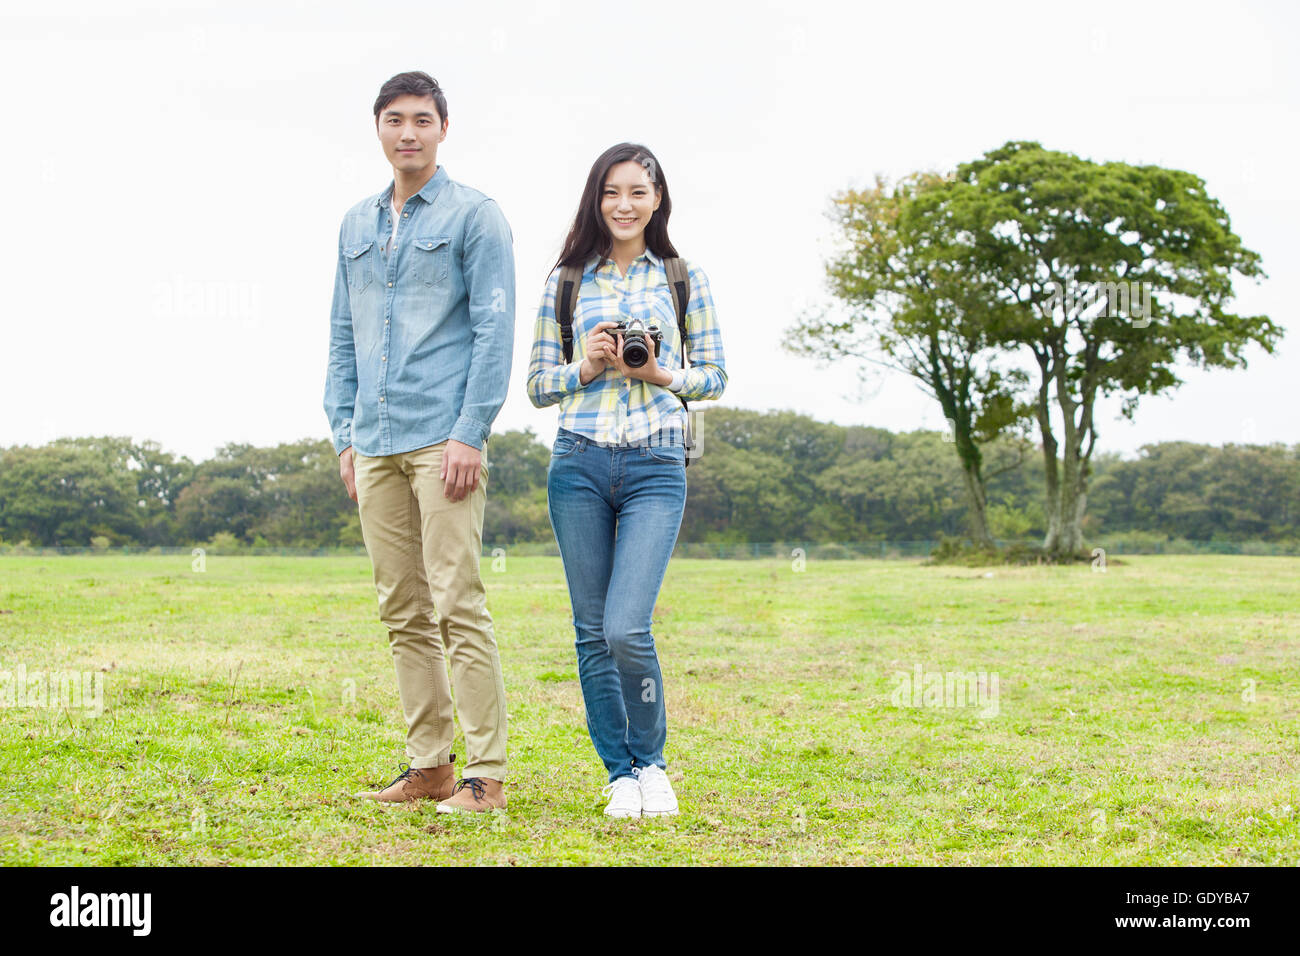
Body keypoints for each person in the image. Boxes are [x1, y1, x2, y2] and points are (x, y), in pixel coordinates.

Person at [323, 70, 515, 813]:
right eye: (395, 119)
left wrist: (471, 431)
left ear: (443, 128)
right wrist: (344, 434)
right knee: (401, 608)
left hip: (444, 439)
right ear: (378, 127)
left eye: (423, 119)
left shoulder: (477, 217)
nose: (408, 131)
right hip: (372, 442)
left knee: (456, 601)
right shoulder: (354, 225)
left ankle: (485, 775)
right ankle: (429, 764)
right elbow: (343, 333)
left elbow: (494, 331)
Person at [526, 143, 727, 818]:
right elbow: (535, 386)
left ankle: (653, 764)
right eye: (612, 192)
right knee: (590, 630)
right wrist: (584, 365)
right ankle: (618, 773)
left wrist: (660, 374)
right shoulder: (566, 280)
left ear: (659, 198)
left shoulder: (682, 276)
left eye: (638, 192)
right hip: (577, 462)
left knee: (625, 628)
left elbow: (717, 375)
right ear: (596, 197)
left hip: (655, 462)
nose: (624, 205)